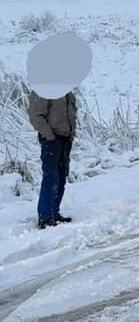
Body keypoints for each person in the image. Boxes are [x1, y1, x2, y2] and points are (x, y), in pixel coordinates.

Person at [28, 90, 77, 229]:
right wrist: (49, 136)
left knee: (61, 176)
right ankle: (45, 217)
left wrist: (72, 134)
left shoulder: (67, 92)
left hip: (65, 139)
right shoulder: (42, 89)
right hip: (51, 140)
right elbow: (36, 116)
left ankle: (54, 212)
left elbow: (72, 114)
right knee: (51, 177)